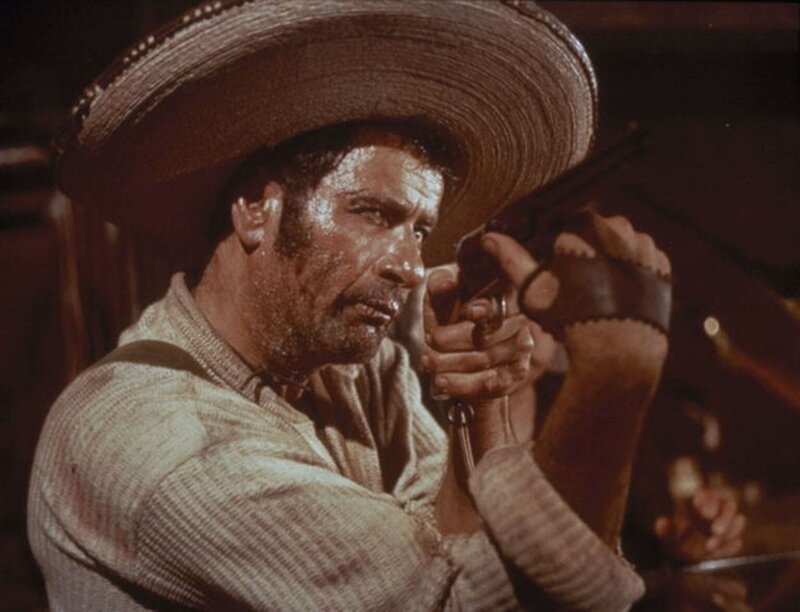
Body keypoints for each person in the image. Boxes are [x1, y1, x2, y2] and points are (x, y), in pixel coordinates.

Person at [29, 1, 671, 609]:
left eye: (420, 229)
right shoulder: (163, 439)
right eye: (373, 214)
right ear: (255, 209)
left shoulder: (358, 373)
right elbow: (462, 599)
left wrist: (477, 405)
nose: (412, 267)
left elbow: (458, 548)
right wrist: (615, 378)